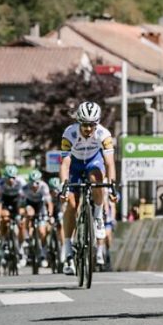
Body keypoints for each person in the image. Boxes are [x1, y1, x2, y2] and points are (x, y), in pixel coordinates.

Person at [59, 101, 117, 274]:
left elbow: (110, 163)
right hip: (75, 164)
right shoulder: (69, 133)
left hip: (93, 161)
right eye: (84, 124)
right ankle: (68, 249)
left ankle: (98, 216)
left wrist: (112, 186)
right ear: (78, 122)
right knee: (71, 204)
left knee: (97, 179)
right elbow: (65, 164)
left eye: (92, 125)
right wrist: (64, 186)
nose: (88, 129)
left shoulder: (104, 134)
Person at [22, 170, 54, 268]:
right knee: (28, 214)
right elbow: (21, 204)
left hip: (40, 206)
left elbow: (49, 203)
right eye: (32, 182)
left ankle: (43, 254)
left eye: (36, 183)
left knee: (42, 231)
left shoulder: (44, 187)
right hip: (29, 204)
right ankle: (27, 237)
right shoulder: (25, 188)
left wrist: (49, 215)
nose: (34, 185)